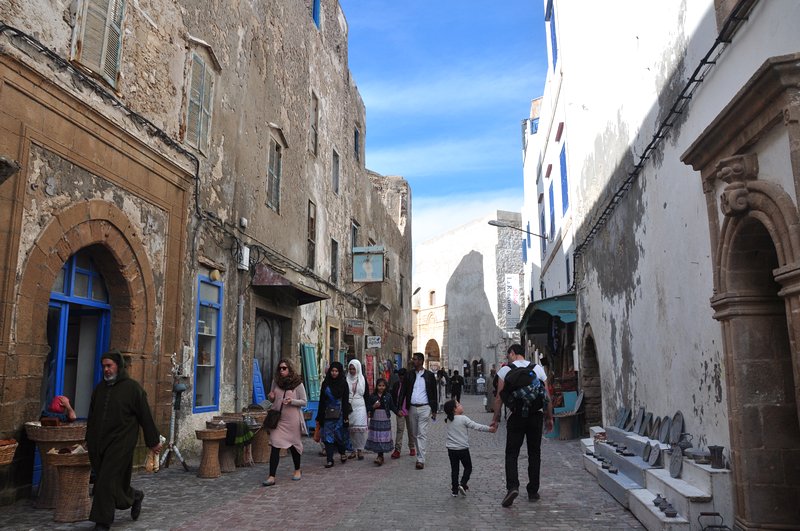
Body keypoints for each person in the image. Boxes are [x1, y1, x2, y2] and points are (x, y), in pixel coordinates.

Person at [86, 350, 161, 530]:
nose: (106, 370)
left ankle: (102, 522)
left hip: (122, 442)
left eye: (109, 366)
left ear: (118, 366)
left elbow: (145, 416)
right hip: (99, 442)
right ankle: (135, 496)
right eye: (103, 366)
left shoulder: (133, 389)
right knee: (111, 481)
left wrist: (153, 441)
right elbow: (92, 415)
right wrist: (88, 438)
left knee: (105, 480)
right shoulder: (99, 389)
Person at [491, 344, 553, 508]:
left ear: (512, 353)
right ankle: (533, 491)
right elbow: (546, 395)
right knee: (534, 452)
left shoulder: (505, 370)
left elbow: (499, 397)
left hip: (516, 415)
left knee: (511, 453)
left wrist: (496, 418)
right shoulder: (537, 369)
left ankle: (512, 487)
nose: (508, 357)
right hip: (535, 415)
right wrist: (549, 417)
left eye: (508, 354)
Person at [262, 359, 307, 486]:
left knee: (293, 445)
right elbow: (271, 398)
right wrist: (270, 397)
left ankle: (297, 469)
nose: (281, 370)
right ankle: (271, 476)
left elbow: (304, 401)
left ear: (290, 369)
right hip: (278, 419)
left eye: (284, 368)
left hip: (292, 420)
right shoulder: (275, 382)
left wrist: (292, 401)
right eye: (280, 368)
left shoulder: (297, 384)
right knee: (275, 445)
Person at [443, 399, 495, 496]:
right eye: (458, 404)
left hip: (451, 450)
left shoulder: (448, 419)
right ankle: (463, 483)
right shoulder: (463, 419)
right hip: (463, 449)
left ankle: (454, 490)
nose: (461, 405)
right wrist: (489, 429)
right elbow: (476, 426)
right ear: (454, 409)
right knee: (468, 467)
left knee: (455, 470)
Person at [403, 352, 438, 470]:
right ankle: (419, 454)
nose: (414, 361)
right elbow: (404, 391)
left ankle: (420, 459)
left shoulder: (429, 376)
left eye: (416, 359)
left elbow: (434, 393)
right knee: (414, 433)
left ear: (422, 361)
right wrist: (400, 407)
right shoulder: (409, 375)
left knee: (421, 433)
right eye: (413, 359)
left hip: (425, 407)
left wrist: (434, 410)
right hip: (412, 407)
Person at [316, 361, 351, 468]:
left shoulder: (344, 384)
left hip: (340, 414)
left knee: (339, 436)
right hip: (327, 414)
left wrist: (345, 417)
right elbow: (322, 401)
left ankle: (342, 452)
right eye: (332, 371)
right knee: (327, 437)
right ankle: (330, 459)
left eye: (336, 371)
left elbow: (345, 401)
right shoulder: (325, 384)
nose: (334, 373)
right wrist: (319, 416)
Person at [365, 378, 397, 465]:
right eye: (379, 385)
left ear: (386, 386)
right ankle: (380, 456)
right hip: (375, 419)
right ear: (376, 386)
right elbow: (368, 407)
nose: (381, 387)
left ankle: (380, 456)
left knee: (382, 437)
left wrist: (398, 412)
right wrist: (373, 406)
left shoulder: (388, 396)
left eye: (383, 386)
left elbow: (392, 406)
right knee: (377, 437)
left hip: (384, 418)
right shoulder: (372, 396)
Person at [389, 367, 416, 459]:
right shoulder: (396, 385)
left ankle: (412, 447)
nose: (401, 379)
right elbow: (393, 397)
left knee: (411, 430)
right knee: (400, 430)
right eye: (400, 377)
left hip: (410, 410)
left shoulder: (411, 385)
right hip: (400, 411)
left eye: (403, 377)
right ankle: (397, 449)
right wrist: (396, 410)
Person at [346, 359, 368, 460]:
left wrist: (369, 409)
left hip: (360, 406)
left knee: (360, 430)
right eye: (350, 369)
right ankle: (353, 450)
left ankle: (360, 450)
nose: (352, 371)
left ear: (358, 369)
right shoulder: (346, 379)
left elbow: (366, 394)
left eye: (353, 369)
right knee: (351, 430)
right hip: (350, 406)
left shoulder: (362, 379)